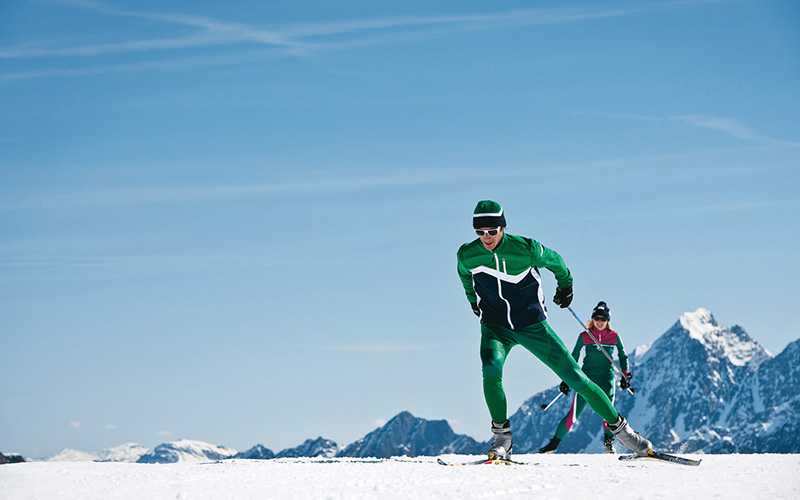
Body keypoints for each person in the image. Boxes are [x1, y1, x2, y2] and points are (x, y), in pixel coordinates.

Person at [456, 200, 652, 459]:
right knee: (490, 367)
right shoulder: (467, 254)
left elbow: (556, 262)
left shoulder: (527, 249)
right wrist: (473, 301)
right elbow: (465, 278)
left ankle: (624, 432)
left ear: (503, 227)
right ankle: (502, 438)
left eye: (492, 231)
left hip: (532, 326)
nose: (486, 238)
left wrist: (565, 286)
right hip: (496, 326)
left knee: (577, 379)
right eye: (480, 232)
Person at [538, 301, 633, 454]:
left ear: (608, 321)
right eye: (597, 319)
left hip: (607, 379)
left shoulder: (614, 337)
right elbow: (573, 356)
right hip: (586, 379)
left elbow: (623, 355)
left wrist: (626, 374)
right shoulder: (585, 336)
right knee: (574, 414)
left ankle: (608, 443)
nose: (600, 322)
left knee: (609, 412)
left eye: (603, 319)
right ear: (592, 319)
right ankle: (554, 444)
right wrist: (566, 378)